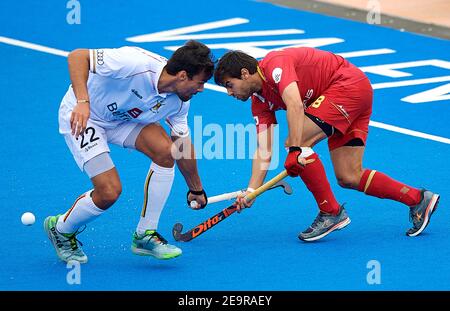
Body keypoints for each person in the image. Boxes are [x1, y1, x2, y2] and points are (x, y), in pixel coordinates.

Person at [214, 47, 440, 242]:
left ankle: (330, 212)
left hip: (346, 87)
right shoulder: (259, 103)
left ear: (244, 73)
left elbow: (294, 104)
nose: (229, 92)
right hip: (346, 97)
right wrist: (252, 191)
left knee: (297, 140)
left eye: (229, 85)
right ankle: (418, 199)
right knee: (349, 176)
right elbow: (264, 148)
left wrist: (295, 149)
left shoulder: (274, 64)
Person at [44, 40, 214, 263]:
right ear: (183, 75)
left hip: (122, 120)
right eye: (200, 83)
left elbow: (182, 146)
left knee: (167, 151)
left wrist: (196, 189)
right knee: (109, 192)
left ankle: (145, 234)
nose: (201, 90)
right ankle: (61, 228)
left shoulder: (180, 103)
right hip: (85, 117)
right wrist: (82, 102)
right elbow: (77, 56)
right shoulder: (134, 63)